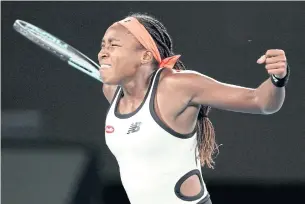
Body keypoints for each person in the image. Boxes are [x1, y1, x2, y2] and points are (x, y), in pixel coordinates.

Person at [98, 13, 289, 204]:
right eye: (103, 46)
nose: (103, 53)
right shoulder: (112, 92)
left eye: (113, 45)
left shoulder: (177, 86)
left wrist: (277, 79)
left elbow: (261, 102)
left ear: (145, 55)